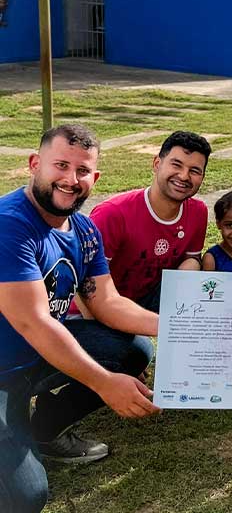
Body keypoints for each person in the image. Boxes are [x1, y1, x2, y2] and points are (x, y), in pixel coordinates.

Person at [0, 125, 159, 513]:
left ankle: (45, 432)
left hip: (31, 357)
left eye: (83, 170)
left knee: (135, 349)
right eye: (61, 165)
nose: (71, 180)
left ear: (95, 178)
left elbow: (106, 302)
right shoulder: (9, 223)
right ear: (35, 164)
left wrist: (178, 326)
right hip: (6, 366)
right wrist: (105, 384)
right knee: (25, 498)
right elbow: (34, 323)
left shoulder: (83, 229)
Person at [83, 131, 211, 313]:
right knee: (132, 342)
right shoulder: (112, 213)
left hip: (146, 298)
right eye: (176, 165)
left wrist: (186, 279)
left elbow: (192, 258)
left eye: (195, 171)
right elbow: (85, 285)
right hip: (97, 307)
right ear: (157, 164)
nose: (184, 176)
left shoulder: (198, 211)